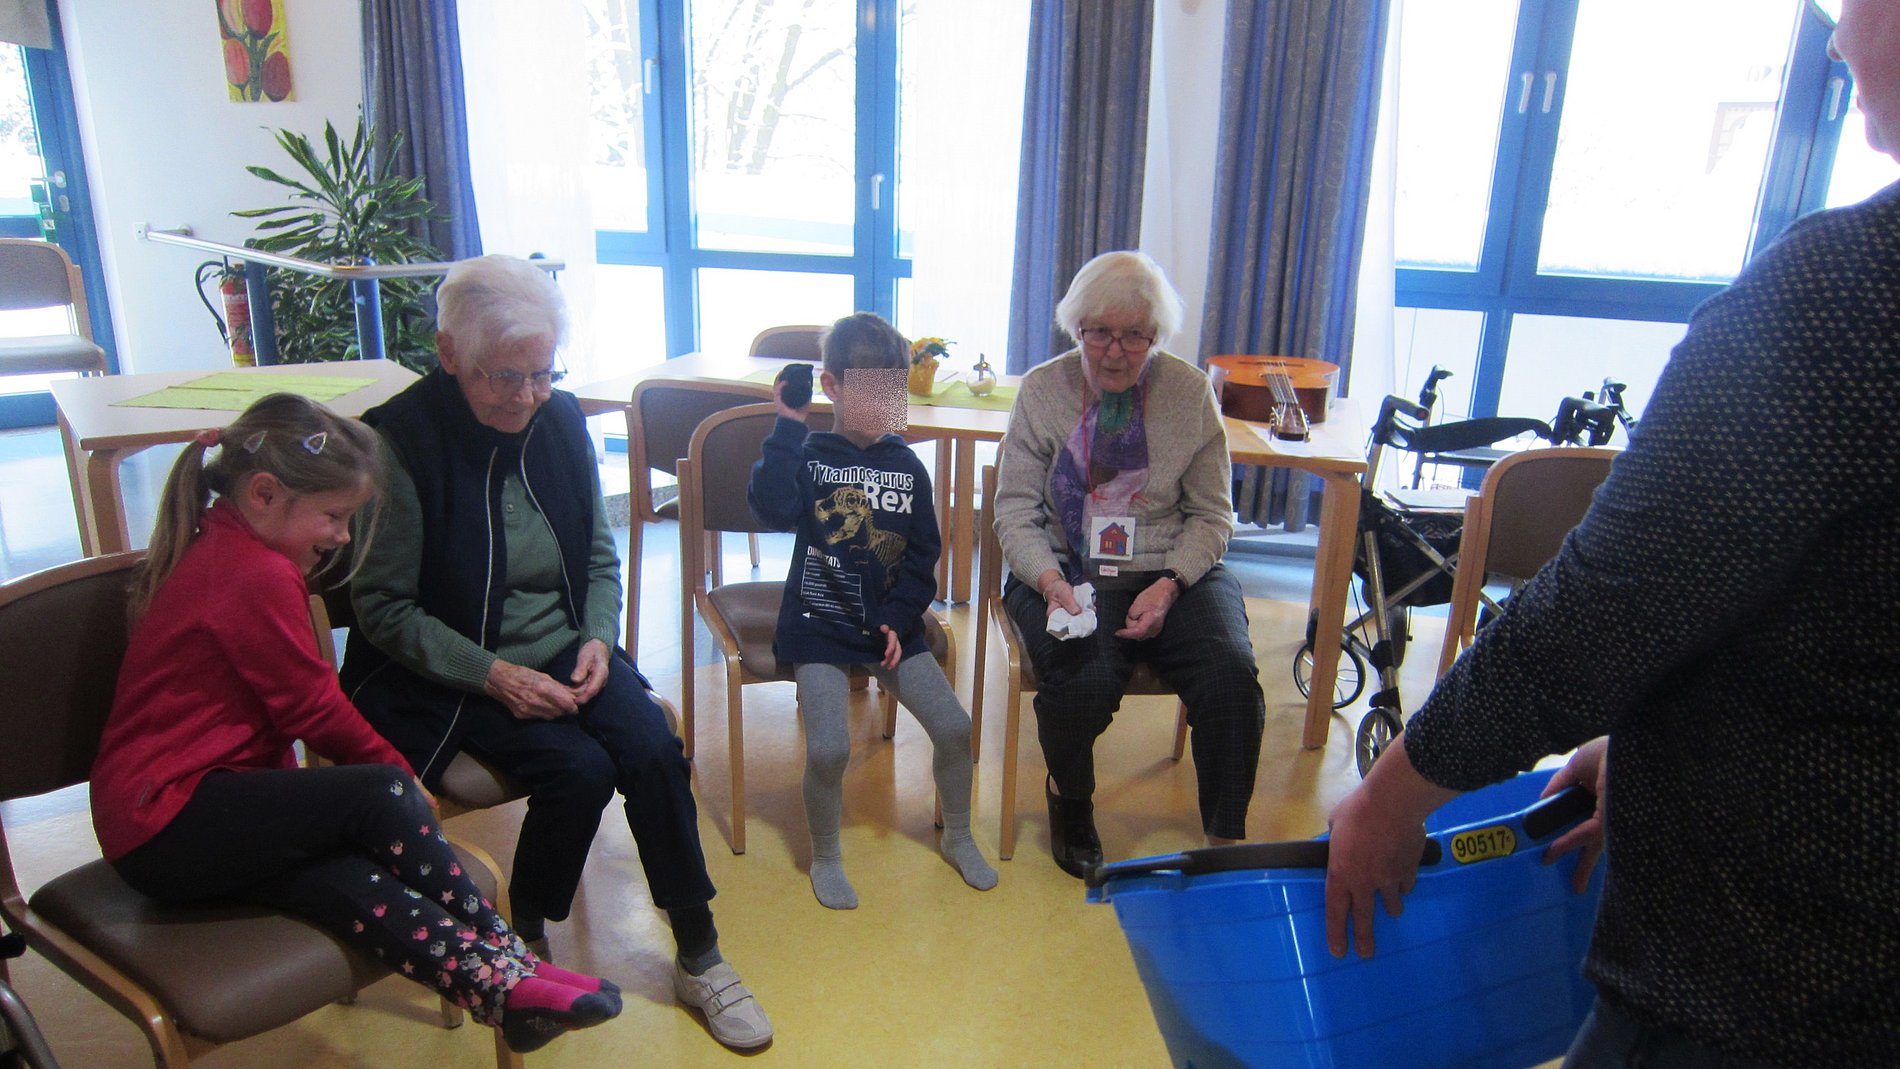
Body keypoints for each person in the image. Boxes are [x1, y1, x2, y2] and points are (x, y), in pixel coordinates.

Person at [1324, 4, 1900, 1066]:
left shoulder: (1847, 293)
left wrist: (1394, 792)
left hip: (1770, 982)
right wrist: (1654, 747)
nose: (1832, 36)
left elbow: (1603, 610)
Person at [91, 393, 621, 1055]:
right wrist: (400, 780)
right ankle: (511, 959)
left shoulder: (231, 544)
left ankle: (501, 988)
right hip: (167, 821)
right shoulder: (252, 572)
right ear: (264, 494)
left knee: (345, 875)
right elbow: (312, 710)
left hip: (174, 825)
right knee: (379, 790)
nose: (343, 536)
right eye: (334, 515)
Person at [339, 256, 771, 1051]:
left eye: (543, 373)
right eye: (505, 377)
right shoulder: (399, 441)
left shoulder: (561, 420)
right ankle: (523, 938)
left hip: (567, 649)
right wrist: (496, 674)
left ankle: (699, 950)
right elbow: (383, 610)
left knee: (651, 747)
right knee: (579, 770)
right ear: (448, 354)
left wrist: (599, 636)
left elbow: (600, 558)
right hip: (451, 671)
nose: (527, 396)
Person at [993, 250, 1266, 877]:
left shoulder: (1189, 393)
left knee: (1231, 677)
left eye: (1135, 336)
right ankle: (1070, 800)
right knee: (1082, 682)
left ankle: (1223, 842)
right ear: (1076, 328)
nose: (1115, 353)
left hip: (1172, 570)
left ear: (1156, 335)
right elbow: (1015, 511)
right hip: (1066, 568)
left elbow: (1212, 514)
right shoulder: (1042, 390)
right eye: (1100, 333)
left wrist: (1170, 584)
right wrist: (1050, 581)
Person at [747, 312, 999, 909]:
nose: (884, 405)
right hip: (818, 624)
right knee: (829, 748)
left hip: (887, 625)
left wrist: (898, 617)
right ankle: (826, 854)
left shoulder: (906, 465)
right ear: (832, 386)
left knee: (955, 728)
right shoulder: (808, 455)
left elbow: (922, 554)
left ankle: (959, 834)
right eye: (870, 391)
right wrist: (787, 424)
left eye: (893, 390)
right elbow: (772, 508)